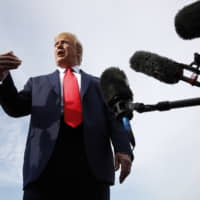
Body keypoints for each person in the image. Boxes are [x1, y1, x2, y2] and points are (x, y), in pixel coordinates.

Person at [0, 32, 134, 200]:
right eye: (56, 44)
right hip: (44, 168)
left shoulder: (99, 84)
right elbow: (15, 108)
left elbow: (114, 119)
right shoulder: (36, 83)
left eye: (64, 43)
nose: (58, 46)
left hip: (91, 168)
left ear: (78, 51)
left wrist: (123, 149)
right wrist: (2, 76)